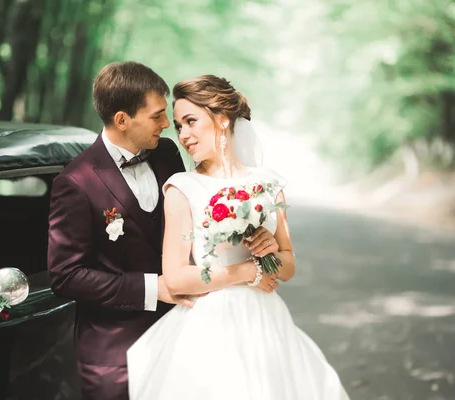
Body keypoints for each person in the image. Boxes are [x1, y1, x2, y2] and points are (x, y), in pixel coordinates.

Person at [47, 62, 281, 400]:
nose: (166, 125)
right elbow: (66, 275)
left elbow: (201, 217)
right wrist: (152, 287)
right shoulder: (76, 182)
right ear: (122, 120)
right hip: (114, 353)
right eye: (157, 116)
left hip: (186, 334)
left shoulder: (167, 154)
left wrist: (251, 238)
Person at [127, 75, 350, 399]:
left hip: (267, 325)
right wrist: (250, 271)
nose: (184, 135)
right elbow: (175, 278)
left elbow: (287, 267)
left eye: (191, 121)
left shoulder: (268, 184)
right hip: (211, 328)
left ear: (221, 118)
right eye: (179, 126)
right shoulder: (182, 188)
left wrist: (269, 250)